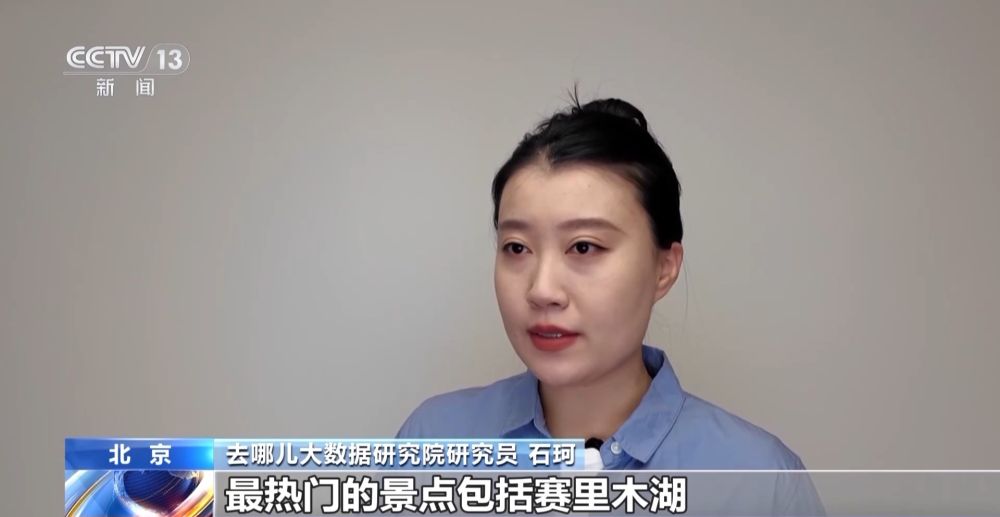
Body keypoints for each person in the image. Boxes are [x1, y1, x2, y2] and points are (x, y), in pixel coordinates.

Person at [396, 89, 824, 515]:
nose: (542, 290)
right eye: (517, 247)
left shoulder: (760, 483)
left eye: (584, 247)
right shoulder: (432, 441)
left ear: (664, 267)